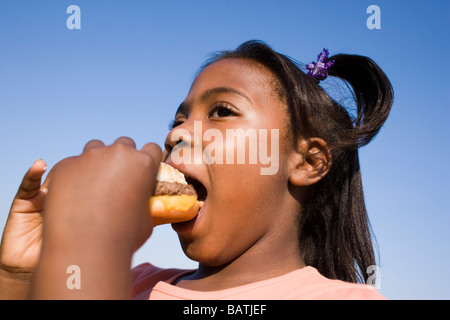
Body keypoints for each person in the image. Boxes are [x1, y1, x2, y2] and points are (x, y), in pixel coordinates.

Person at [0, 40, 393, 299]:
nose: (177, 136)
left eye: (222, 112)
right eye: (177, 121)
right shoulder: (137, 282)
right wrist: (18, 277)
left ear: (307, 162)